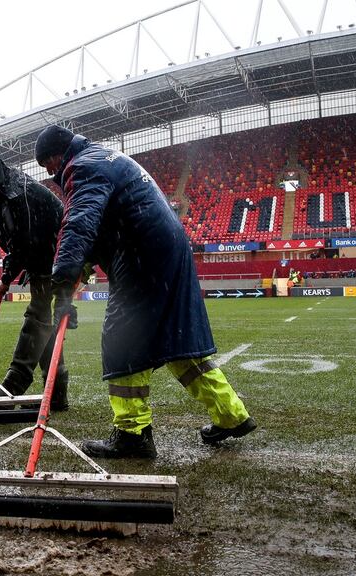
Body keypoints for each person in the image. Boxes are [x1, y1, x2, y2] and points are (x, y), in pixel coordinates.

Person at [35, 125, 255, 458]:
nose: (50, 172)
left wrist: (62, 280)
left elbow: (79, 223)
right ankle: (231, 414)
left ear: (57, 154)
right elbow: (97, 232)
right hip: (167, 247)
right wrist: (72, 279)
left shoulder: (81, 167)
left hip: (142, 252)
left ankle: (131, 434)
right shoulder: (104, 158)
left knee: (123, 338)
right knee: (177, 342)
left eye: (47, 164)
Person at [0, 151, 69, 410]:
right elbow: (18, 242)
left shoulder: (22, 196)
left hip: (58, 257)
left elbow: (23, 243)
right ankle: (55, 393)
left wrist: (6, 278)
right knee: (44, 326)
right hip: (45, 257)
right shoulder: (5, 194)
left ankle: (11, 390)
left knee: (37, 319)